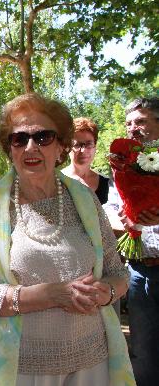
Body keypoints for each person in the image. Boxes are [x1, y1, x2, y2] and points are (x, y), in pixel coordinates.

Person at [0, 93, 134, 385]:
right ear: (9, 149)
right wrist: (50, 295)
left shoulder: (84, 198)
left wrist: (104, 293)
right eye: (19, 139)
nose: (31, 147)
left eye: (43, 137)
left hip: (92, 362)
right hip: (23, 368)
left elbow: (118, 274)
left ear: (61, 146)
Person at [103, 97, 159, 386]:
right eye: (129, 123)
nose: (133, 129)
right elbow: (112, 207)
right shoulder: (122, 164)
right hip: (138, 271)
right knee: (143, 351)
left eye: (141, 121)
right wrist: (124, 219)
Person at [62, 117, 110, 204]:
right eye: (77, 145)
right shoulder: (57, 181)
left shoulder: (106, 183)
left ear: (95, 146)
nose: (83, 150)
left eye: (89, 144)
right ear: (67, 148)